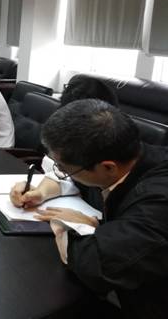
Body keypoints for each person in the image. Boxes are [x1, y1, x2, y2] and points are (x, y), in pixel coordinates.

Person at [19, 99, 168, 317]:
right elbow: (77, 179)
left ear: (108, 167)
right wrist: (41, 192)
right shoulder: (121, 155)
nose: (61, 172)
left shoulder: (158, 200)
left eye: (63, 168)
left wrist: (74, 226)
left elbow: (94, 265)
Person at [11, 75, 119, 210]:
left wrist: (94, 221)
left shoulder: (111, 156)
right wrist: (41, 192)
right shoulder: (83, 149)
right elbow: (67, 178)